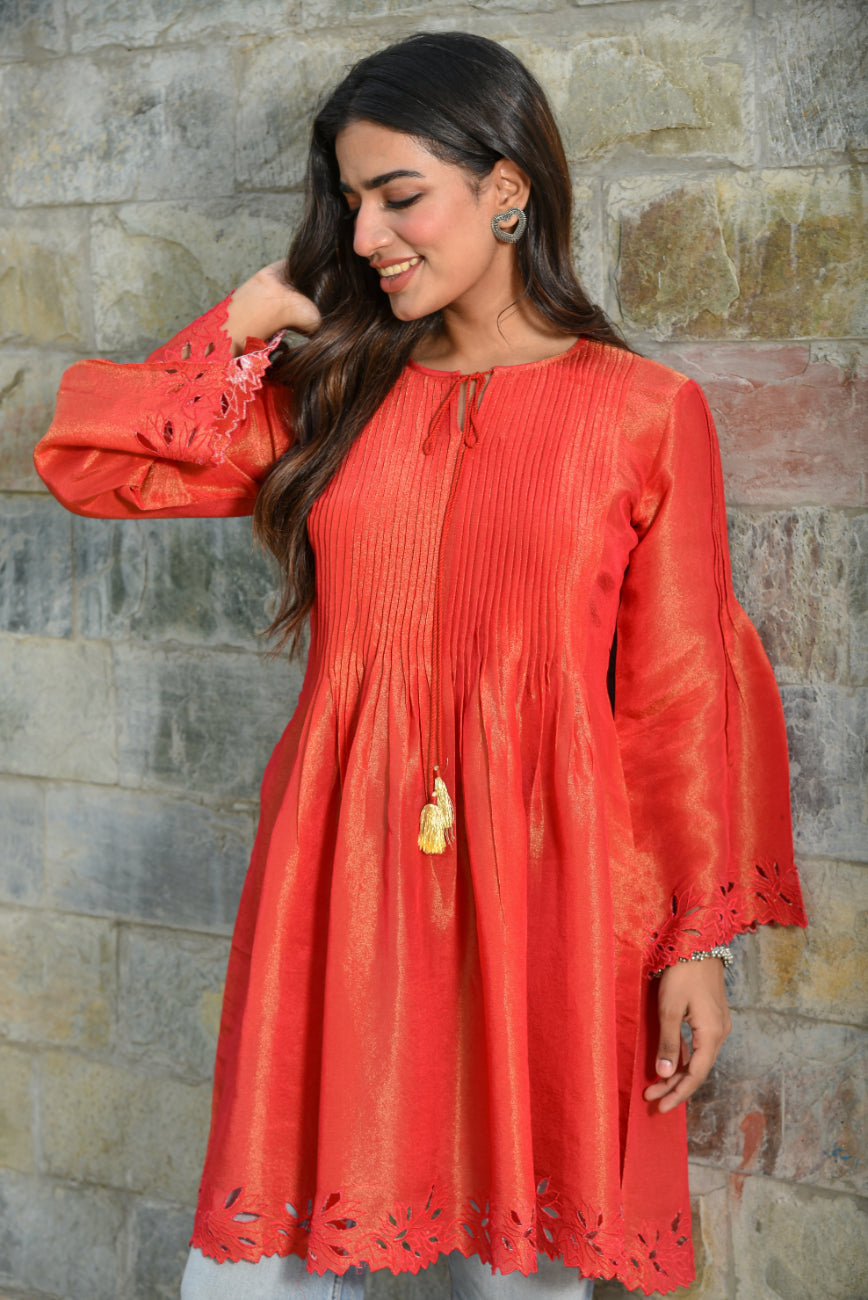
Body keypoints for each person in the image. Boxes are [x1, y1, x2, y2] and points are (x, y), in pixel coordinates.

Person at [33, 31, 807, 1300]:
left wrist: (691, 949)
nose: (370, 234)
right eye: (351, 204)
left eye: (401, 196)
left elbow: (679, 699)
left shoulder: (643, 410)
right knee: (256, 1267)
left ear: (507, 189)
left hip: (554, 880)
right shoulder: (337, 389)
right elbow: (94, 465)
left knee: (518, 1267)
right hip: (336, 864)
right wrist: (246, 318)